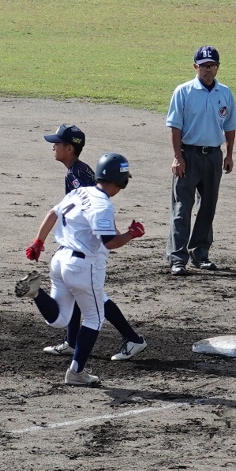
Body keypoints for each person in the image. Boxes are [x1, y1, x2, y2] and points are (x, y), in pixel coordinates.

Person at [16, 153, 146, 386]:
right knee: (94, 318)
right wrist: (131, 234)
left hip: (59, 260)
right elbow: (109, 242)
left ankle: (36, 293)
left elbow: (52, 213)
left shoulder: (79, 192)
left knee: (59, 319)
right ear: (121, 180)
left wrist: (38, 242)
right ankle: (76, 372)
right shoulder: (102, 204)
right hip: (81, 266)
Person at [34, 125, 148, 362]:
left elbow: (95, 206)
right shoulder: (78, 170)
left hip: (91, 245)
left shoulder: (77, 175)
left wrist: (115, 235)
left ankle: (132, 338)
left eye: (57, 143)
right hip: (87, 241)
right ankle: (72, 342)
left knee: (95, 299)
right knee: (79, 292)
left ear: (69, 148)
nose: (53, 147)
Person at [166, 45, 236, 276]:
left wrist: (229, 155)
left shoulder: (224, 93)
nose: (208, 69)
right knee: (182, 207)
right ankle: (178, 258)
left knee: (208, 207)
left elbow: (230, 126)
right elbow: (175, 127)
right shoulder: (183, 91)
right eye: (204, 65)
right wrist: (178, 157)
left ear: (218, 67)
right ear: (195, 67)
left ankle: (200, 254)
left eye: (212, 65)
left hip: (213, 155)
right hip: (188, 155)